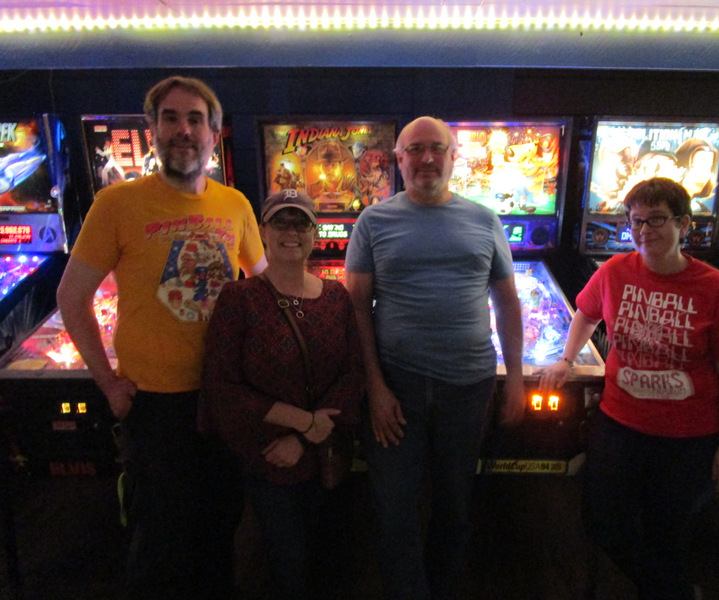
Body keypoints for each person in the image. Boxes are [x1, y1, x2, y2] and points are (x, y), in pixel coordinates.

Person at [56, 75, 267, 600]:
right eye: (171, 118)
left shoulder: (235, 204)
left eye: (196, 119)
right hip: (153, 404)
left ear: (214, 133)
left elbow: (264, 288)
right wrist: (108, 384)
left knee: (221, 525)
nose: (183, 130)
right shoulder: (117, 204)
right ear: (152, 130)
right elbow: (71, 298)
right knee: (161, 540)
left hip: (223, 397)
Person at [539, 177, 719, 600]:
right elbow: (586, 313)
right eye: (636, 221)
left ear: (684, 224)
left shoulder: (715, 289)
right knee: (601, 522)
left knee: (666, 533)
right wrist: (566, 359)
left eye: (657, 219)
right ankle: (675, 592)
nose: (644, 230)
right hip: (620, 423)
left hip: (689, 438)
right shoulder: (614, 271)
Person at [345, 116, 526, 600]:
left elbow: (508, 302)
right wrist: (375, 387)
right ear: (399, 159)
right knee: (394, 510)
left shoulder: (485, 220)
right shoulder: (373, 221)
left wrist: (515, 379)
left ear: (453, 156)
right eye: (415, 149)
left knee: (455, 506)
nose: (427, 158)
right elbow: (356, 307)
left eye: (437, 148)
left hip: (468, 386)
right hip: (397, 385)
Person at [201, 188, 363, 600]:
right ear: (263, 231)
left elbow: (352, 374)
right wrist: (302, 423)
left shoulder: (337, 297)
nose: (291, 232)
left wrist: (306, 435)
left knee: (332, 559)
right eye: (280, 222)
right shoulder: (238, 298)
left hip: (325, 453)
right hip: (270, 457)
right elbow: (222, 388)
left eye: (301, 223)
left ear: (315, 233)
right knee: (286, 564)